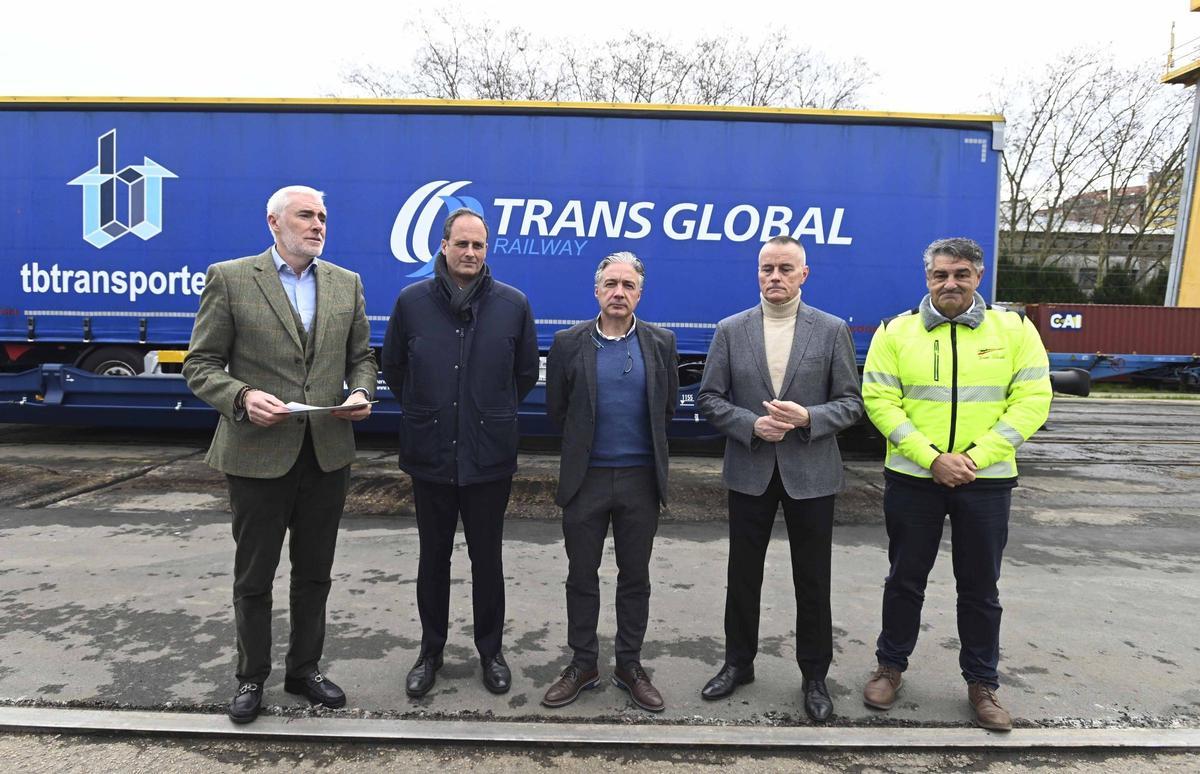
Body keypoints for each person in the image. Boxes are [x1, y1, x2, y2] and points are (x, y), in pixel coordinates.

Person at [183, 185, 376, 724]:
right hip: (257, 454)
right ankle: (251, 677)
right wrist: (242, 397)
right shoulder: (231, 278)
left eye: (323, 216)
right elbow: (199, 366)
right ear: (273, 222)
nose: (318, 224)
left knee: (315, 573)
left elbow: (362, 358)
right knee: (255, 576)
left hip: (326, 452)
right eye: (306, 215)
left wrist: (362, 393)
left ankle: (304, 669)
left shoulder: (346, 283)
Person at [859, 237, 1051, 731]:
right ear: (927, 278)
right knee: (904, 580)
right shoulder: (895, 331)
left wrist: (972, 458)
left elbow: (1032, 402)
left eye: (961, 274)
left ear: (978, 277)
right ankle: (890, 667)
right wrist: (930, 458)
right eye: (941, 274)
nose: (951, 283)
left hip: (985, 483)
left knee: (981, 588)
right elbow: (879, 401)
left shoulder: (1015, 330)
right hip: (913, 480)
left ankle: (982, 684)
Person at [696, 235, 863, 723]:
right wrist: (751, 425)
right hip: (750, 470)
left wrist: (807, 417)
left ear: (803, 275)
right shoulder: (731, 329)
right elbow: (709, 398)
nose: (775, 277)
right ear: (757, 272)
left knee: (812, 580)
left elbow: (851, 403)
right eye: (767, 268)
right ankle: (737, 664)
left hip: (810, 474)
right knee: (741, 576)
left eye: (786, 269)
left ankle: (814, 676)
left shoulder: (831, 330)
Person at [382, 207, 539, 698]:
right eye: (462, 244)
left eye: (479, 245)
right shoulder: (412, 302)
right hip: (429, 455)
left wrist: (488, 414)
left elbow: (524, 374)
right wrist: (429, 410)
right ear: (444, 246)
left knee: (486, 559)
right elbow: (394, 367)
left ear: (486, 251)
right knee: (434, 559)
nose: (470, 253)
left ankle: (491, 652)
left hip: (489, 458)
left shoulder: (513, 304)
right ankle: (431, 651)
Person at [541, 252, 679, 712]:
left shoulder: (661, 343)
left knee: (634, 578)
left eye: (628, 285)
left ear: (640, 293)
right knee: (581, 576)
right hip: (586, 480)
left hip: (640, 480)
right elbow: (557, 411)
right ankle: (583, 663)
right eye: (611, 284)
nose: (619, 293)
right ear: (596, 290)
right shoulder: (568, 342)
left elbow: (668, 409)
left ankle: (629, 664)